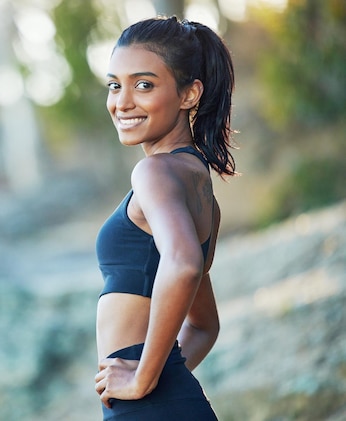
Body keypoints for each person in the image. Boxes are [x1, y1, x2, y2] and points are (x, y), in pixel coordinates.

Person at [94, 16, 236, 420]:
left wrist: (142, 380)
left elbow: (184, 265)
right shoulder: (198, 189)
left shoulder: (154, 173)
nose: (121, 102)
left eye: (143, 85)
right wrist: (160, 376)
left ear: (189, 94)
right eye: (114, 85)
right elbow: (204, 325)